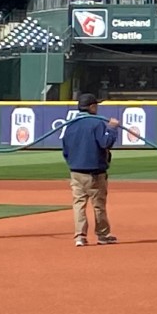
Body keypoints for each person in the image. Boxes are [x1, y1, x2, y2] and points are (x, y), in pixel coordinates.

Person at [60, 93, 120, 247]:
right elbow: (106, 142)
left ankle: (80, 236)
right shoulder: (96, 123)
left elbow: (65, 150)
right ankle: (102, 235)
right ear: (92, 106)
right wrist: (112, 129)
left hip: (76, 172)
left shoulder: (70, 124)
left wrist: (72, 163)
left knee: (78, 204)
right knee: (98, 204)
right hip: (94, 172)